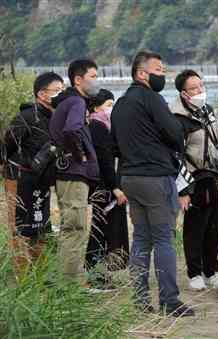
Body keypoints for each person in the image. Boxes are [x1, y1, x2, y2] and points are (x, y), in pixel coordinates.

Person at [111, 50, 194, 317]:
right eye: (159, 69)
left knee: (141, 239)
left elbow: (114, 144)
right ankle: (170, 300)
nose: (163, 73)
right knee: (164, 239)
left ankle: (140, 299)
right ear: (141, 73)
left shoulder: (121, 103)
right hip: (155, 178)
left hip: (129, 178)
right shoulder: (152, 98)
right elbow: (174, 133)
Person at [169, 69, 218, 291]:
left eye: (201, 86)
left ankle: (212, 271)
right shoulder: (177, 118)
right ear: (184, 93)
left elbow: (217, 144)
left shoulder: (207, 111)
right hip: (192, 178)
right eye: (194, 88)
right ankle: (194, 273)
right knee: (195, 228)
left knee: (216, 227)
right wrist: (183, 190)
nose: (199, 91)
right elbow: (175, 156)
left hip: (212, 175)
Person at [3, 72, 64, 277]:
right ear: (41, 94)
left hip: (42, 181)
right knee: (20, 228)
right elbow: (6, 147)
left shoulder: (57, 118)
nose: (61, 94)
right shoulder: (26, 117)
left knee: (40, 227)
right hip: (19, 178)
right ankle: (22, 278)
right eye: (57, 90)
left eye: (62, 90)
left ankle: (40, 277)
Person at [49, 59, 100, 280]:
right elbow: (71, 130)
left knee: (71, 227)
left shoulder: (67, 102)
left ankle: (68, 280)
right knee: (75, 228)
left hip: (67, 173)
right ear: (78, 79)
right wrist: (80, 156)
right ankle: (70, 284)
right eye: (93, 76)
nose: (97, 81)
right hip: (73, 173)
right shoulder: (77, 103)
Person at [85, 89, 129, 291]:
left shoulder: (105, 125)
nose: (111, 109)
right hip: (103, 186)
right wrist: (115, 188)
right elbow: (105, 161)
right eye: (108, 105)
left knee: (101, 230)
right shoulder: (98, 126)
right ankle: (94, 275)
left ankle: (98, 273)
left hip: (103, 184)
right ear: (96, 107)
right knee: (99, 230)